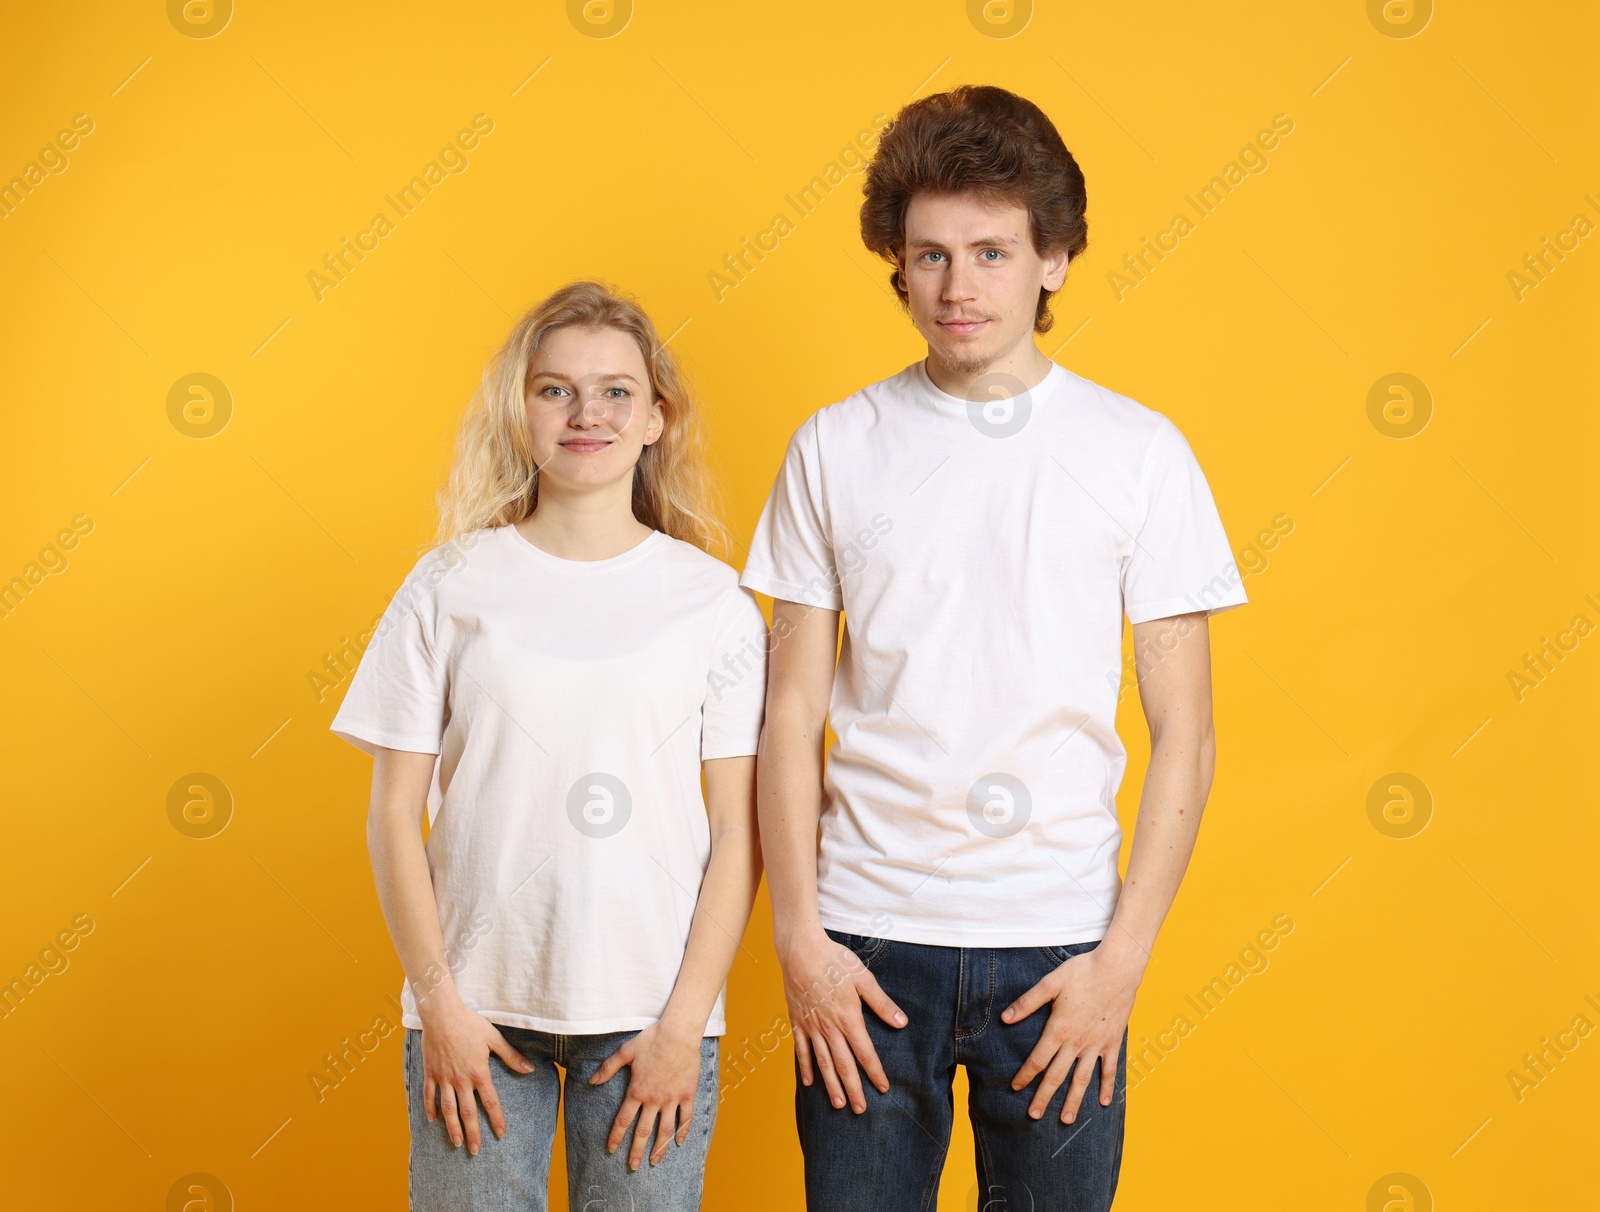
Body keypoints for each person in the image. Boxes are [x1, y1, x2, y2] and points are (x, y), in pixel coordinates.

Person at [741, 85, 1249, 1210]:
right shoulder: (833, 446)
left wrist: (1119, 964)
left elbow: (1187, 735)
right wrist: (800, 945)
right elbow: (785, 714)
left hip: (1060, 951)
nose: (957, 288)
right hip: (865, 949)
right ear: (896, 264)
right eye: (928, 255)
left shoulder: (1139, 454)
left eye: (989, 252)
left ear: (1054, 259)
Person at [329, 281, 768, 1211]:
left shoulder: (714, 604)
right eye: (554, 389)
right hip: (476, 1015)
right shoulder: (448, 584)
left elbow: (739, 832)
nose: (585, 414)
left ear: (656, 418)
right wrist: (438, 1002)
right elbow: (393, 813)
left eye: (615, 391)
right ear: (519, 413)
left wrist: (685, 1024)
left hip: (650, 1019)